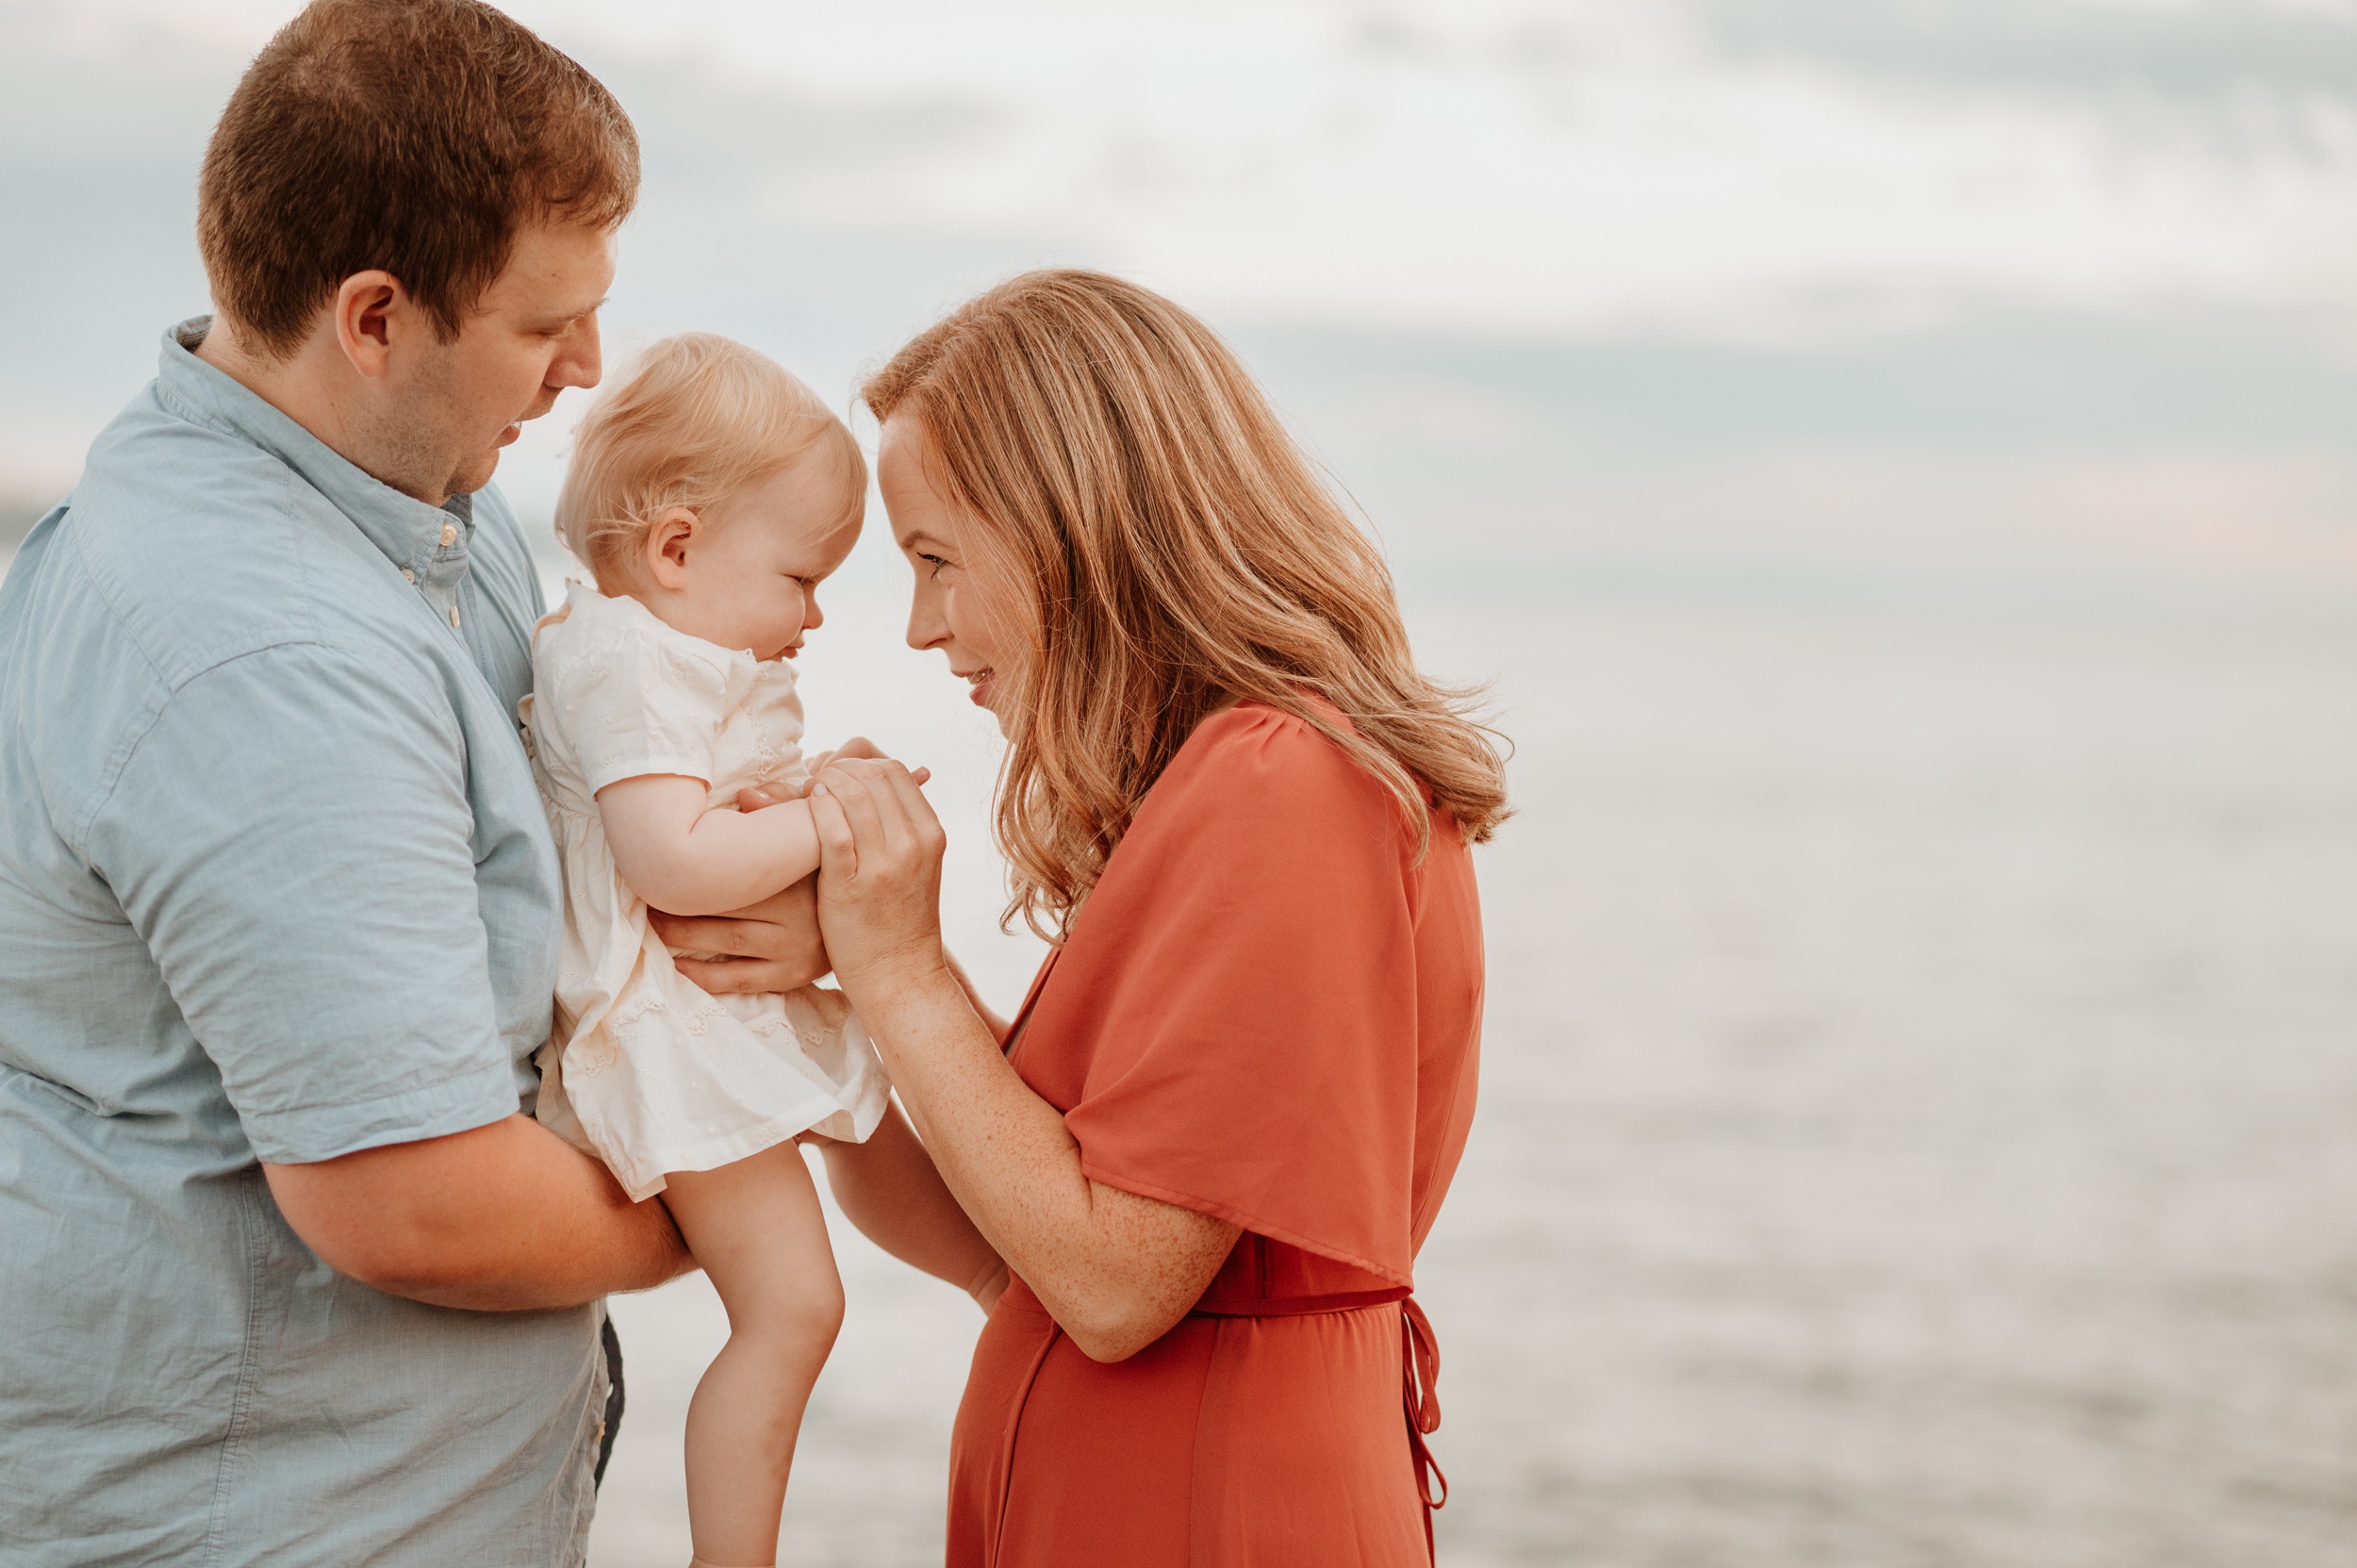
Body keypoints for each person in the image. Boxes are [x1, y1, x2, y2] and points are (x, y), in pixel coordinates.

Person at [0, 4, 852, 1561]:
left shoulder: (424, 509)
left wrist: (768, 935)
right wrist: (739, 1170)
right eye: (544, 328)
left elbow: (575, 875)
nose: (589, 371)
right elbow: (418, 1203)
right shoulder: (261, 651)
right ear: (375, 317)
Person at [683, 268, 1508, 1565]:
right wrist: (831, 995)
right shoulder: (1217, 788)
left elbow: (1114, 1283)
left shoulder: (1284, 781)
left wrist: (902, 970)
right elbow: (996, 1245)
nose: (920, 628)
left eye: (937, 561)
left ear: (1075, 528)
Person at [524, 332, 997, 1568]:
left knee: (826, 1246)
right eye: (802, 576)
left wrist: (806, 808)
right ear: (676, 551)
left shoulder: (669, 654)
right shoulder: (632, 663)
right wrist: (833, 821)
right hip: (666, 1036)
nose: (822, 613)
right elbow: (676, 862)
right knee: (793, 1308)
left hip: (702, 1018)